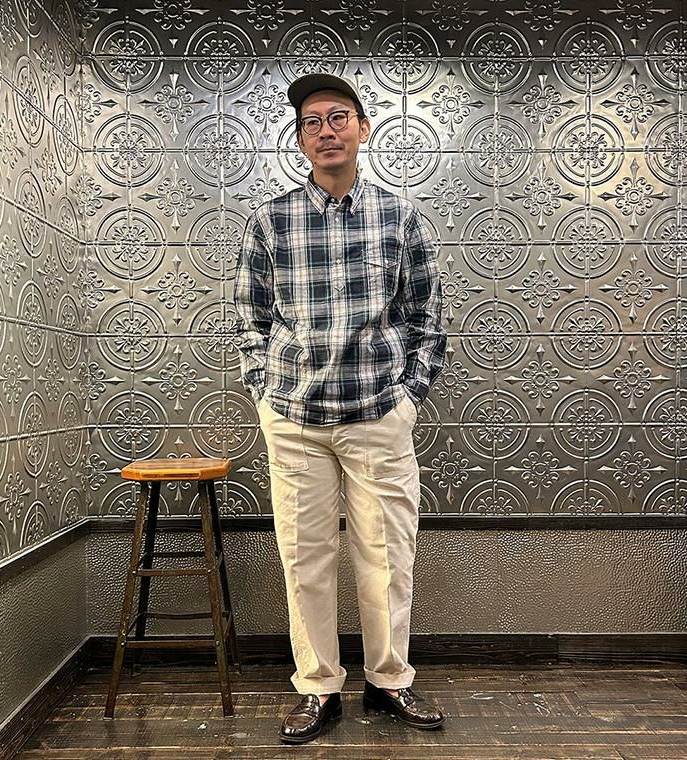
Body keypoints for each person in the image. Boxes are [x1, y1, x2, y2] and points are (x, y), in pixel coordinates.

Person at [233, 73, 447, 744]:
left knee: (388, 555)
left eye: (338, 118)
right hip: (294, 419)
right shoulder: (270, 221)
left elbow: (426, 319)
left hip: (379, 413)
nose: (326, 131)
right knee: (305, 559)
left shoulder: (399, 217)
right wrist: (264, 395)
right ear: (300, 140)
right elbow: (249, 319)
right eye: (312, 123)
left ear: (362, 128)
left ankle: (389, 680)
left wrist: (408, 399)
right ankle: (318, 688)